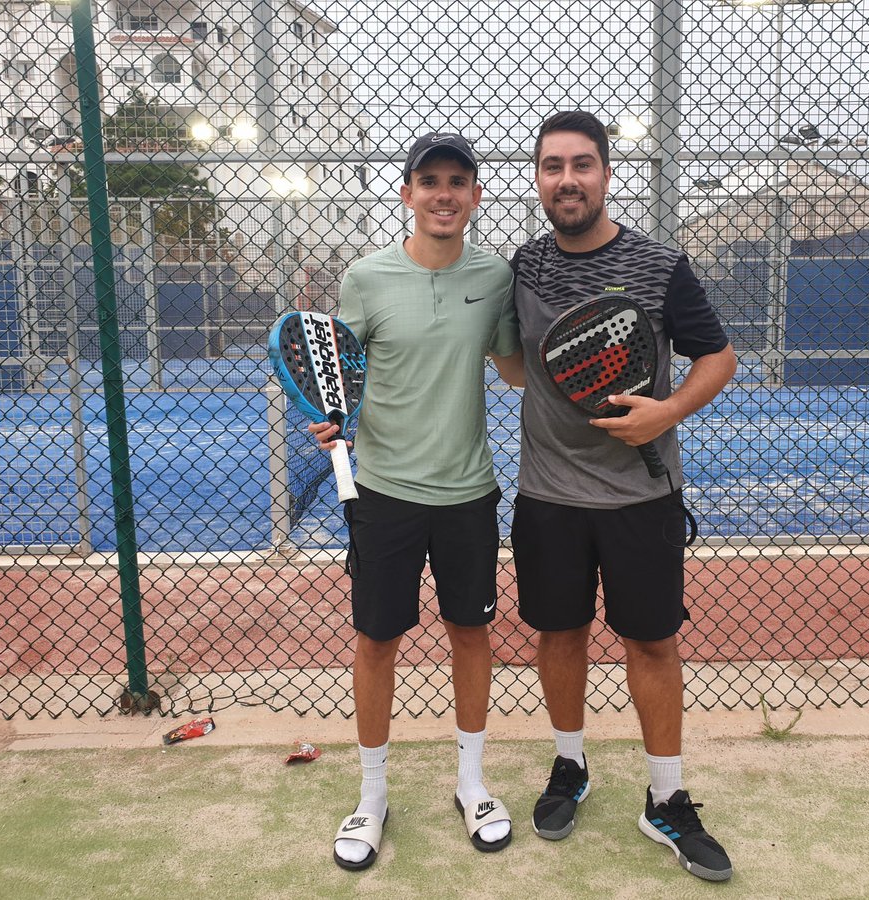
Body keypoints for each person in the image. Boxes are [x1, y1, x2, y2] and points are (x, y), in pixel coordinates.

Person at [510, 110, 738, 882]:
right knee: (560, 634)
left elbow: (719, 356)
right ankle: (569, 765)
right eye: (552, 166)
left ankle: (666, 799)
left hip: (642, 497)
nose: (567, 179)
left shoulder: (659, 264)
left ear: (607, 174)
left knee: (652, 644)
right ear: (538, 179)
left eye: (581, 165)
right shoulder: (523, 268)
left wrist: (668, 412)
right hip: (549, 495)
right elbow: (515, 363)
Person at [309, 131, 523, 871]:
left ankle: (471, 784)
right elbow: (340, 375)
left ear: (475, 197)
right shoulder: (365, 277)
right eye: (429, 180)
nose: (443, 192)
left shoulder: (495, 276)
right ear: (406, 194)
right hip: (385, 493)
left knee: (471, 634)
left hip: (469, 493)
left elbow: (516, 372)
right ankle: (372, 796)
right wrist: (328, 416)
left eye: (458, 181)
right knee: (377, 642)